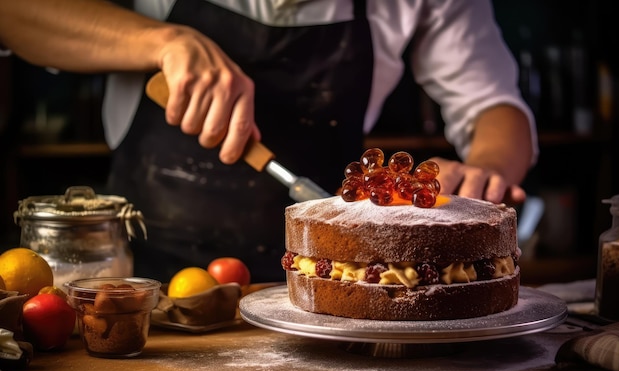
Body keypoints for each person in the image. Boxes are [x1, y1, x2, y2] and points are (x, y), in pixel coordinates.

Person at [0, 0, 536, 282]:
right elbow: (14, 13)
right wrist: (162, 40)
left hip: (324, 280)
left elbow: (496, 105)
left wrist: (486, 165)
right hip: (140, 280)